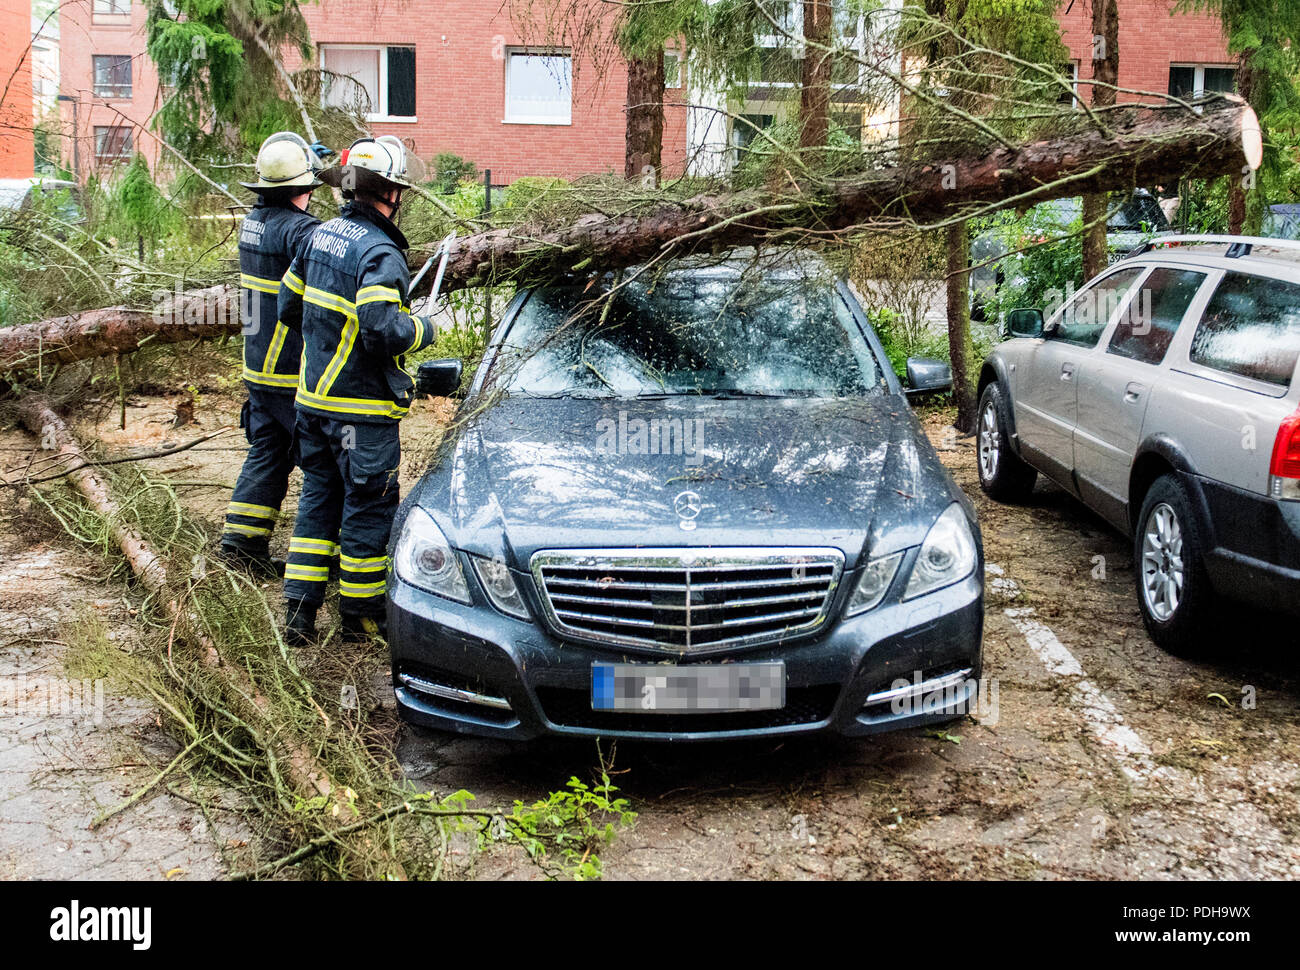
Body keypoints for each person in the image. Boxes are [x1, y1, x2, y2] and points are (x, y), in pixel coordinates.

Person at [277, 135, 437, 644]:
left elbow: (287, 310)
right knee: (368, 510)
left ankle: (299, 617)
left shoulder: (318, 237)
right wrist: (425, 327)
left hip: (312, 409)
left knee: (317, 502)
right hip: (360, 417)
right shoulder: (381, 254)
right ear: (390, 193)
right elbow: (381, 330)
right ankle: (361, 618)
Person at [218, 132, 326, 577]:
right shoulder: (302, 231)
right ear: (304, 187)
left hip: (257, 365)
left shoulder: (255, 221)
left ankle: (240, 545)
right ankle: (324, 559)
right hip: (290, 368)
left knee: (269, 449)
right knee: (325, 462)